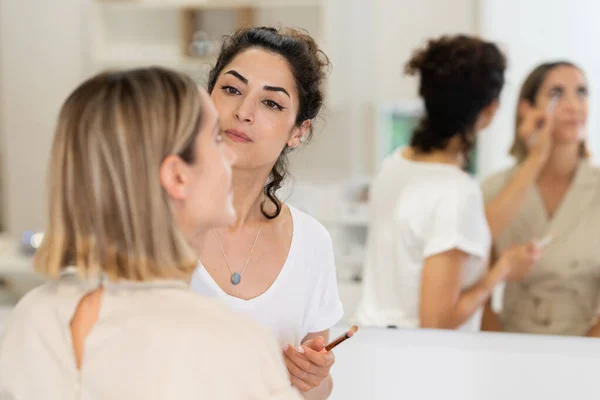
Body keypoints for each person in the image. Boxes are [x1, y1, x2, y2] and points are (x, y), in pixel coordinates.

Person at [0, 67, 302, 399]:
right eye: (216, 138)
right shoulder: (232, 347)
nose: (230, 155)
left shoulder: (31, 319)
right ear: (177, 177)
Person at [189, 27, 343, 398]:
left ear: (298, 132)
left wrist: (314, 376)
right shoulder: (150, 220)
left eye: (271, 103)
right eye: (231, 90)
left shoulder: (311, 244)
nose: (243, 112)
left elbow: (314, 390)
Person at [354, 35, 540, 331]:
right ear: (490, 110)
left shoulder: (395, 165)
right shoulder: (455, 191)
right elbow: (437, 321)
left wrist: (534, 159)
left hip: (376, 344)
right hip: (421, 362)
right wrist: (499, 273)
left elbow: (463, 232)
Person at [481, 61, 600, 337]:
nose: (574, 105)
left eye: (582, 92)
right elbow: (478, 295)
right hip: (510, 342)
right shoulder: (496, 190)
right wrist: (501, 350)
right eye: (557, 94)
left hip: (586, 347)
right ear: (527, 109)